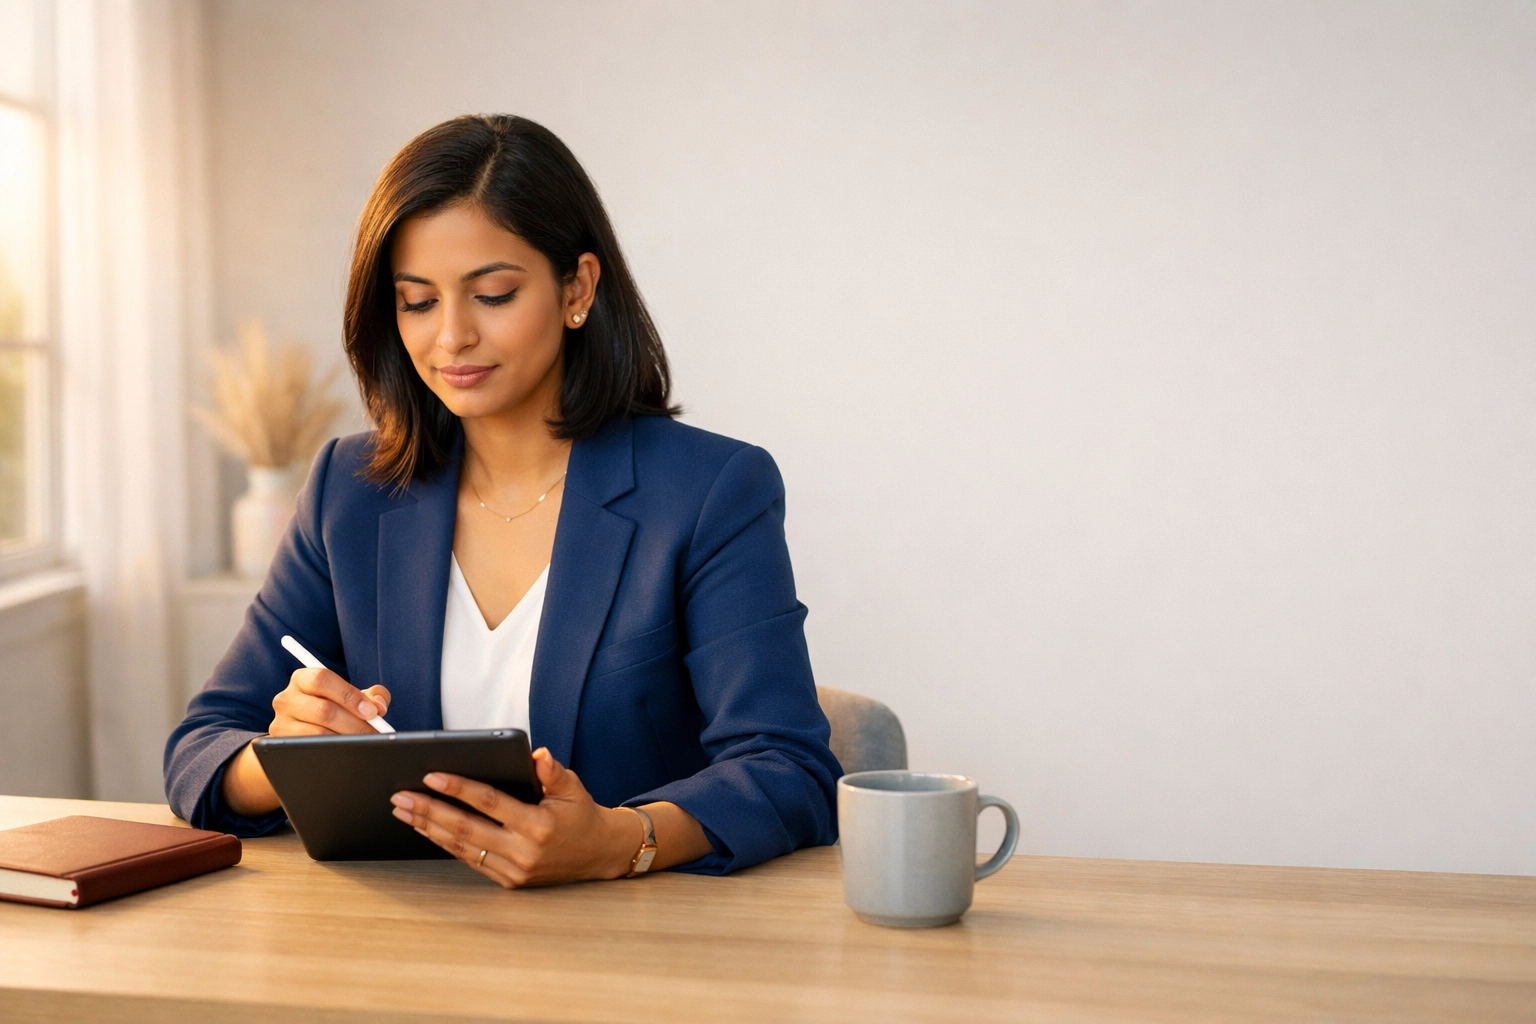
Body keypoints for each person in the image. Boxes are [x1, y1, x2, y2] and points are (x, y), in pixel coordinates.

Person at [163, 114, 840, 885]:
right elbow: (200, 747)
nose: (451, 337)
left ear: (577, 287)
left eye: (491, 294)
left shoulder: (711, 492)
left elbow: (789, 769)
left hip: (634, 952)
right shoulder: (348, 491)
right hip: (402, 946)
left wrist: (623, 840)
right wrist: (278, 756)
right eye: (417, 302)